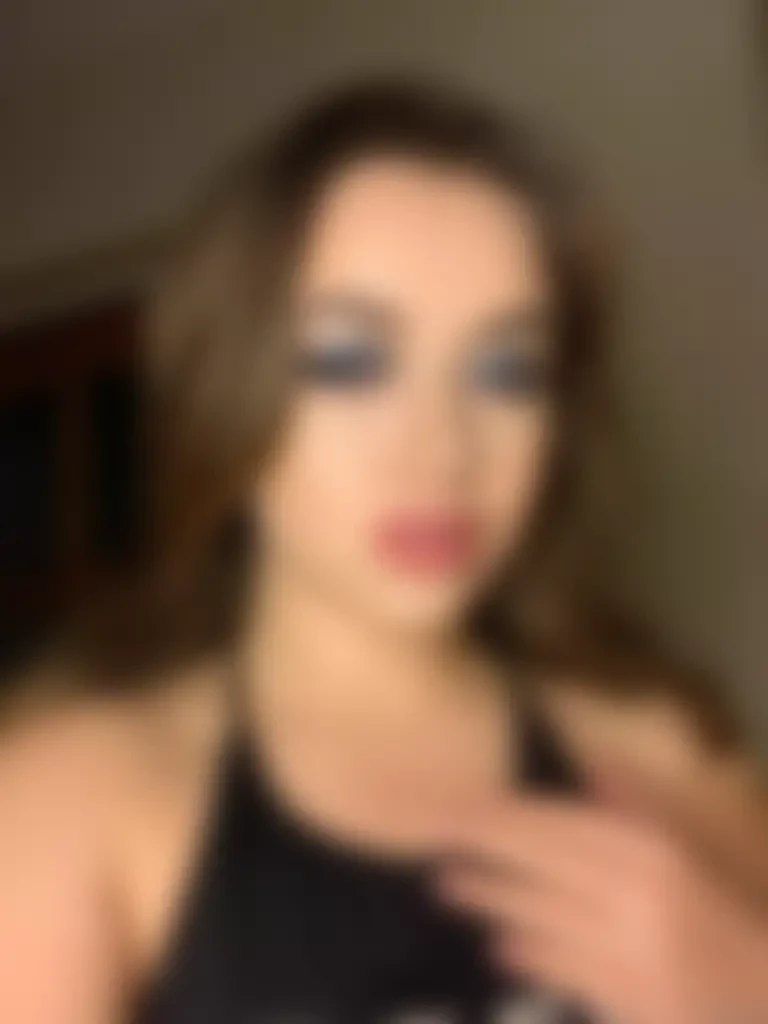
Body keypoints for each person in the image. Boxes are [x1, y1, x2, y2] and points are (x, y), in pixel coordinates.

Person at [0, 78, 766, 1024]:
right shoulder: (67, 794)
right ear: (230, 382)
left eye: (506, 370)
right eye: (350, 362)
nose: (442, 451)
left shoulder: (664, 747)